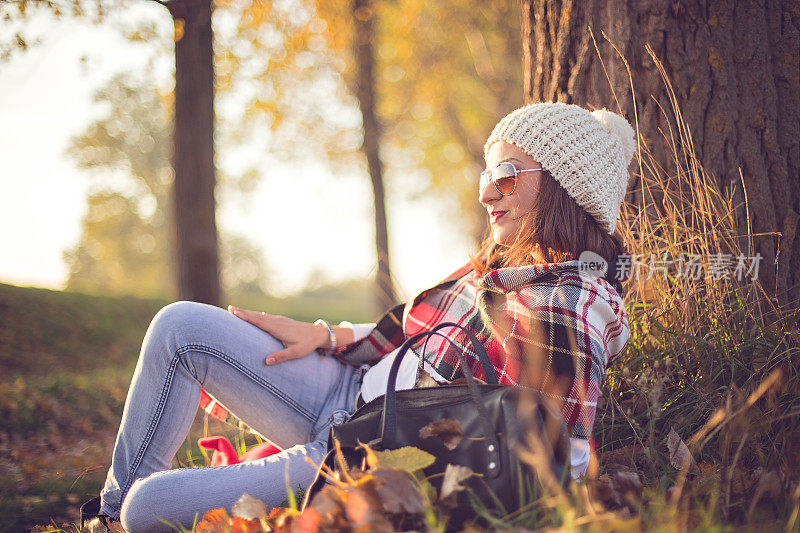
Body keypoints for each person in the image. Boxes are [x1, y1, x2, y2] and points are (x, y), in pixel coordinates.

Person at [81, 101, 635, 532]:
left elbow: (563, 459)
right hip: (341, 389)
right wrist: (326, 335)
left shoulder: (567, 307)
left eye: (508, 175)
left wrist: (394, 491)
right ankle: (104, 516)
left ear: (565, 189)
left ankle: (123, 513)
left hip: (363, 452)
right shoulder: (494, 266)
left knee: (147, 508)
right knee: (180, 328)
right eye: (486, 176)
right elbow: (413, 335)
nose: (488, 193)